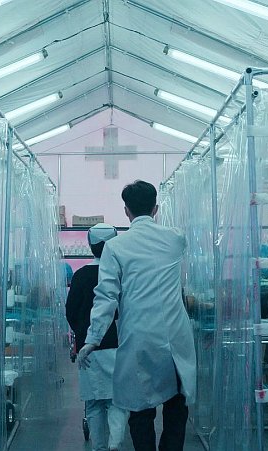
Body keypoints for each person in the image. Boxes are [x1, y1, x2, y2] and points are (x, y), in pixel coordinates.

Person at [77, 180, 196, 451]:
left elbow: (106, 297)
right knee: (176, 405)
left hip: (139, 335)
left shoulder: (116, 247)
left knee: (140, 408)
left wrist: (93, 339)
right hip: (176, 334)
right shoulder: (175, 238)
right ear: (156, 208)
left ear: (126, 211)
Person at [65, 223, 128, 451]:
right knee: (117, 401)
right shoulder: (121, 273)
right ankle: (115, 444)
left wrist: (83, 333)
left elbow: (71, 311)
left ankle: (99, 447)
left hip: (88, 349)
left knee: (93, 403)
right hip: (119, 346)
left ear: (90, 245)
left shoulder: (81, 275)